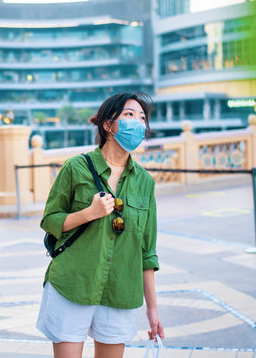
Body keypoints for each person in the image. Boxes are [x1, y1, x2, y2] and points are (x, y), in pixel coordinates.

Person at [37, 92, 164, 358]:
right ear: (108, 125)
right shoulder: (76, 168)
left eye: (142, 118)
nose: (138, 123)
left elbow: (147, 252)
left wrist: (152, 310)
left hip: (121, 290)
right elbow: (50, 220)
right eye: (129, 115)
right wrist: (89, 213)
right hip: (73, 284)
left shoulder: (145, 182)